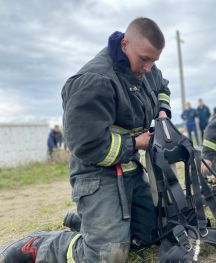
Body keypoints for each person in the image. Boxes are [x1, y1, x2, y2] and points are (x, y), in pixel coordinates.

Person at [0, 17, 171, 263]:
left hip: (131, 171)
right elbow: (86, 146)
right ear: (125, 44)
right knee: (107, 255)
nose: (147, 68)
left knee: (150, 234)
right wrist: (135, 143)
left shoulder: (146, 68)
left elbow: (162, 85)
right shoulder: (94, 80)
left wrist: (163, 111)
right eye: (144, 59)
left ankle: (90, 223)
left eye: (153, 61)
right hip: (97, 173)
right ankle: (41, 244)